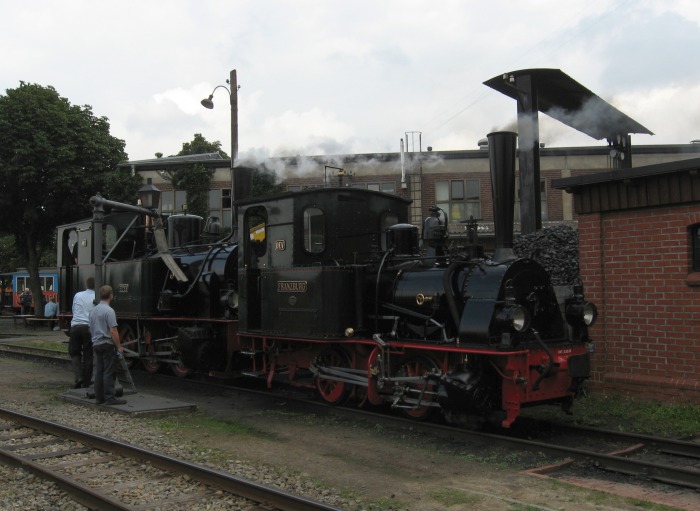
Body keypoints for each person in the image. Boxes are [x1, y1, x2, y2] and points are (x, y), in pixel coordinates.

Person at [89, 284, 126, 406]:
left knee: (99, 371)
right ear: (111, 295)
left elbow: (91, 327)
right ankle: (110, 397)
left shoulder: (93, 310)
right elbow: (113, 331)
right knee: (109, 371)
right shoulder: (109, 311)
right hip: (107, 343)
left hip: (96, 343)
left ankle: (99, 398)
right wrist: (119, 346)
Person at [69, 277, 95, 389]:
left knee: (75, 353)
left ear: (86, 284)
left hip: (75, 326)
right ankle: (87, 381)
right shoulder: (96, 297)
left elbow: (74, 309)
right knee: (88, 355)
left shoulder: (78, 295)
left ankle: (78, 377)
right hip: (88, 327)